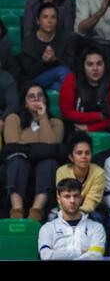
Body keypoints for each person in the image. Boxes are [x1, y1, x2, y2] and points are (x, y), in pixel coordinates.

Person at [4, 83, 64, 221]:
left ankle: (36, 212)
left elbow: (51, 146)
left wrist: (43, 118)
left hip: (44, 162)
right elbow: (13, 147)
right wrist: (38, 149)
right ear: (24, 103)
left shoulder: (56, 123)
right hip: (19, 160)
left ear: (46, 100)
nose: (37, 99)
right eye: (31, 97)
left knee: (49, 162)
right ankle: (16, 211)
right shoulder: (14, 119)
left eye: (40, 95)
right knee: (16, 160)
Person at [59, 46, 110, 133]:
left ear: (105, 65)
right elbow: (66, 112)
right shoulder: (72, 79)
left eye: (99, 64)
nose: (95, 69)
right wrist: (97, 116)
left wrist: (91, 128)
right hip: (77, 128)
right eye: (90, 64)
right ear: (83, 66)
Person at [38, 178, 106, 260]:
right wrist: (80, 252)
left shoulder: (96, 228)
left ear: (81, 198)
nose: (72, 200)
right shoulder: (48, 228)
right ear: (59, 199)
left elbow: (96, 256)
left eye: (76, 196)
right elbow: (46, 256)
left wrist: (57, 254)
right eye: (67, 196)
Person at [21, 2, 74, 90]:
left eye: (53, 17)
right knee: (61, 71)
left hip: (57, 79)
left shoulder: (65, 38)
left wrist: (54, 60)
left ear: (57, 21)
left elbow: (71, 65)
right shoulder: (29, 41)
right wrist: (43, 62)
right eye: (45, 17)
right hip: (36, 80)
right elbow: (28, 72)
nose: (49, 21)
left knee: (57, 86)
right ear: (38, 21)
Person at [55, 131, 106, 215]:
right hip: (66, 211)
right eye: (79, 153)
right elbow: (63, 199)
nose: (84, 156)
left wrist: (77, 214)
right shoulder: (62, 171)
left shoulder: (99, 173)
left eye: (87, 153)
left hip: (90, 212)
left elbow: (91, 202)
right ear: (71, 157)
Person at [0, 70, 19, 136]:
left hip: (1, 116)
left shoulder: (6, 78)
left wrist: (1, 119)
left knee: (12, 118)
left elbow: (13, 105)